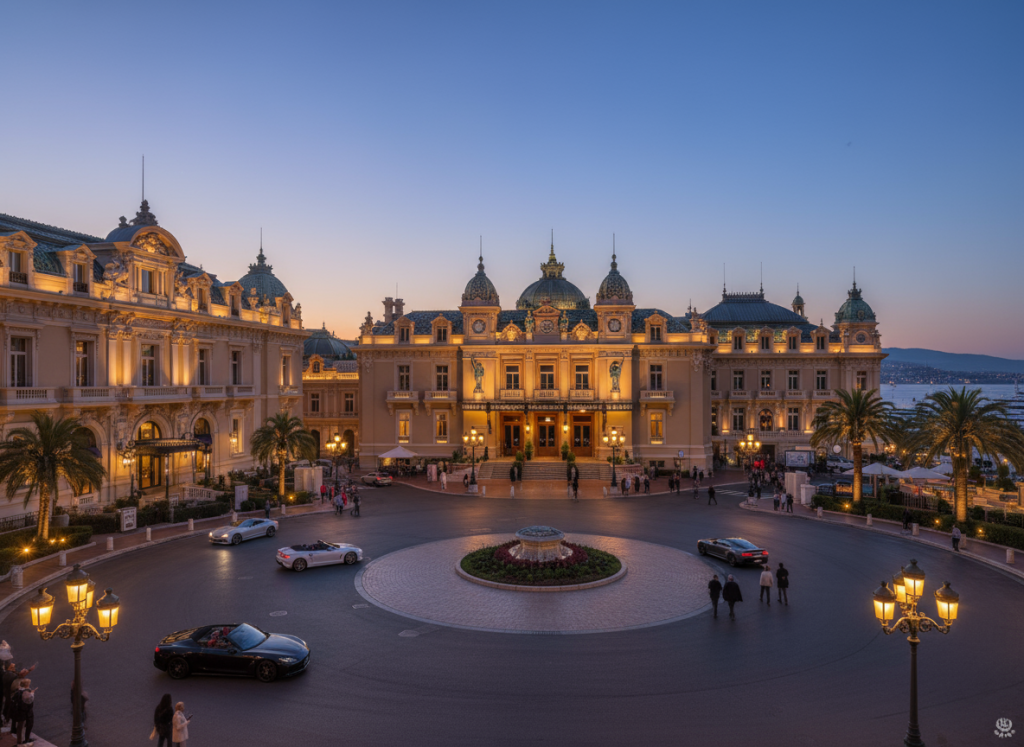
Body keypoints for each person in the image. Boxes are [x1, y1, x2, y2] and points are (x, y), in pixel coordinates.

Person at [11, 678, 35, 747]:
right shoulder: (26, 693)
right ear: (27, 685)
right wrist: (32, 694)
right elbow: (29, 702)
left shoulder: (18, 691)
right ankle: (22, 742)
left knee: (20, 727)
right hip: (25, 713)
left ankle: (20, 741)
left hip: (19, 712)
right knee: (24, 727)